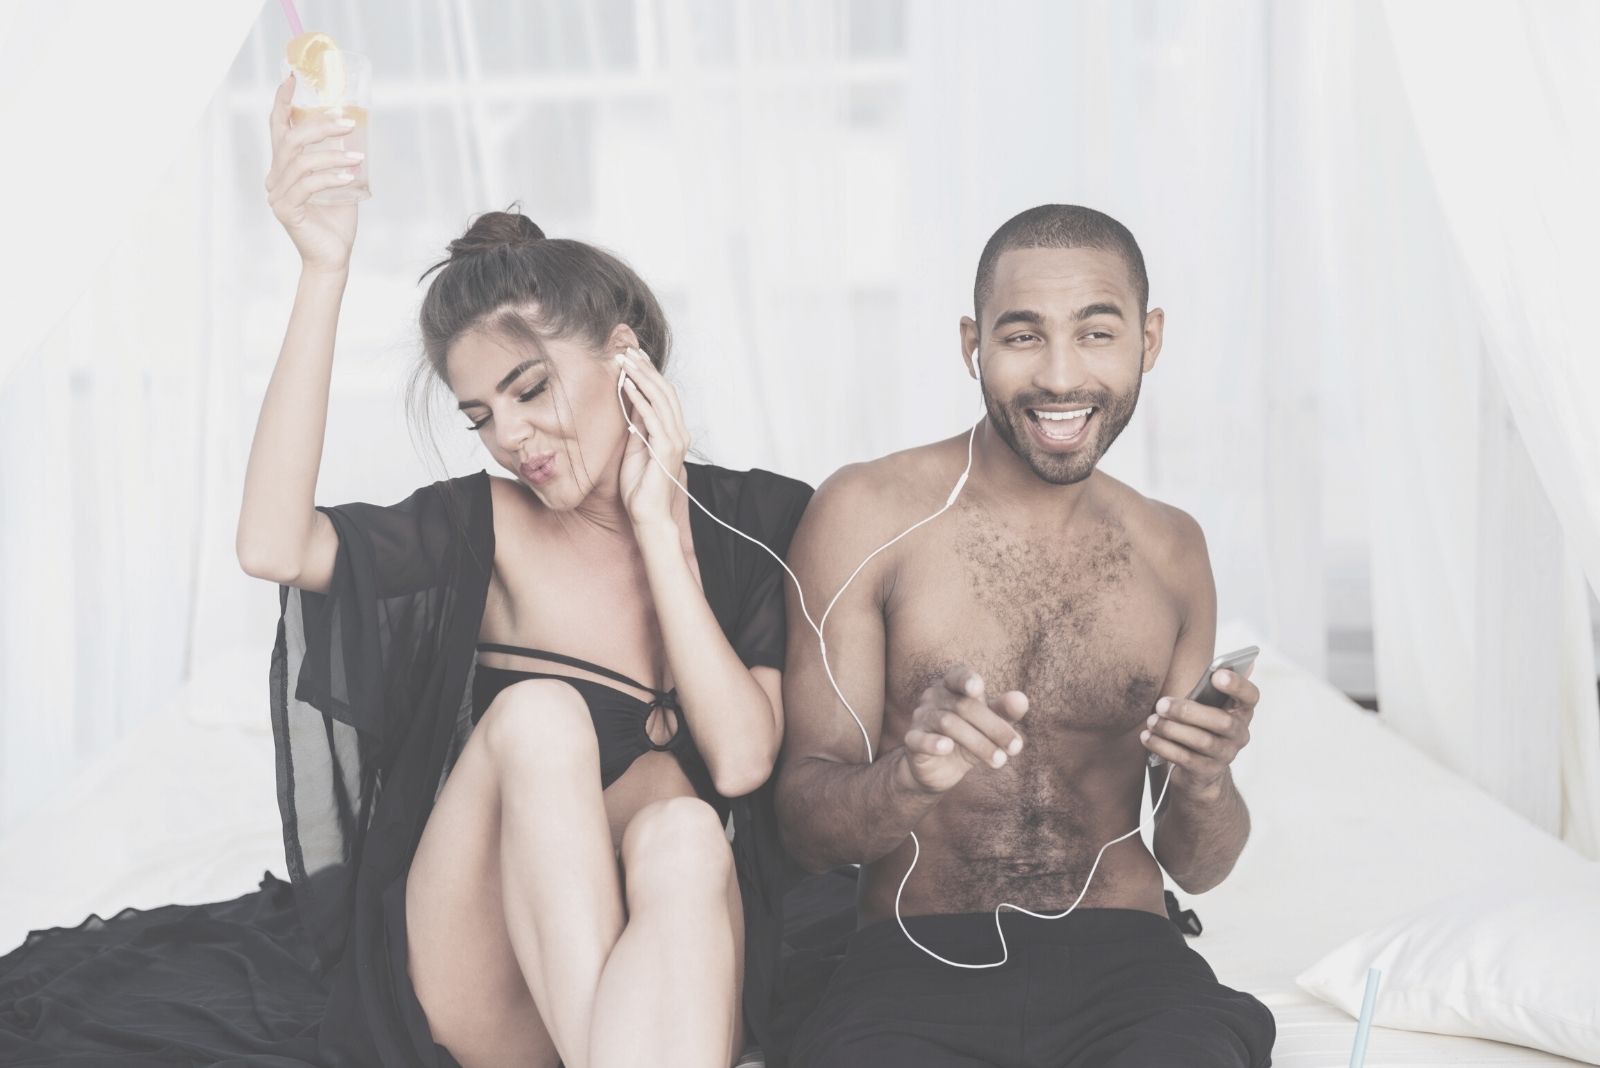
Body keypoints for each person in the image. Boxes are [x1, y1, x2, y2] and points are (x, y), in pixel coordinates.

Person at [234, 76, 812, 1067]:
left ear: (625, 358)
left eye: (530, 390)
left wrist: (658, 525)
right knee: (539, 715)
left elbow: (745, 761)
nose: (511, 439)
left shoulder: (758, 520)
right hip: (486, 968)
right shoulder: (481, 528)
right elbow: (273, 546)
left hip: (664, 974)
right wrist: (323, 269)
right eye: (480, 416)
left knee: (683, 831)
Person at [774, 204, 1277, 1067]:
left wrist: (1205, 783)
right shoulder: (865, 513)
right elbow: (804, 827)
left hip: (1132, 971)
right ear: (973, 344)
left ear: (1148, 341)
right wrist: (910, 777)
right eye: (1021, 337)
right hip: (913, 967)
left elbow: (1197, 867)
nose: (1058, 376)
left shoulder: (1173, 550)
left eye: (1095, 334)